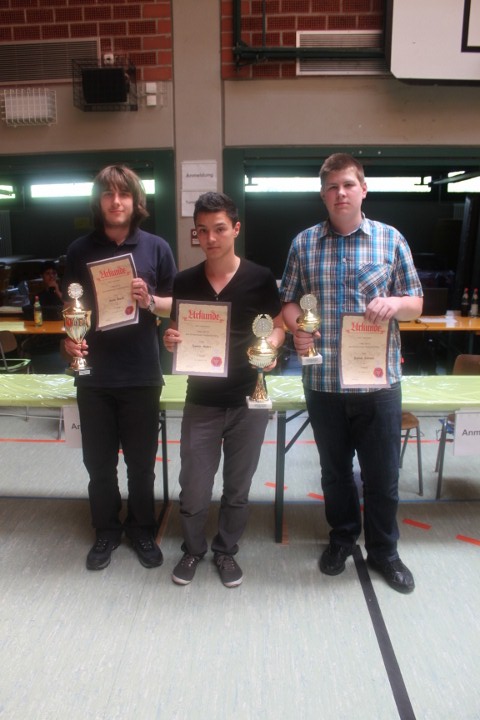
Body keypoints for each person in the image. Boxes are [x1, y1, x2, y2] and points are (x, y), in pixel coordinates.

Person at [280, 153, 423, 594]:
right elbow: (289, 301)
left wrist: (395, 304)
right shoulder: (304, 243)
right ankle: (342, 538)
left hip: (378, 383)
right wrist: (297, 329)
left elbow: (416, 303)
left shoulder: (390, 239)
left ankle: (384, 551)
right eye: (331, 187)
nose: (340, 193)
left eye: (347, 184)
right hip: (323, 383)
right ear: (322, 195)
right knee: (335, 473)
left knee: (383, 476)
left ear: (363, 189)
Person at [163, 192, 284, 588]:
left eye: (219, 229)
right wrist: (171, 339)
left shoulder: (260, 277)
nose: (211, 238)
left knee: (238, 486)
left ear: (235, 229)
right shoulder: (184, 281)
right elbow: (177, 330)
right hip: (202, 401)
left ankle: (226, 550)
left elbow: (278, 326)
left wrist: (271, 347)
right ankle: (193, 548)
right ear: (195, 234)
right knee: (194, 489)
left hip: (250, 399)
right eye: (202, 231)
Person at [63, 164, 177, 571]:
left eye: (124, 193)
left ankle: (142, 528)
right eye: (108, 194)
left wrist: (149, 300)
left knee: (141, 464)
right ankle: (107, 530)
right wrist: (68, 342)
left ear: (135, 201)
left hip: (141, 373)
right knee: (98, 464)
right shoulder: (79, 251)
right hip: (93, 376)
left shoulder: (156, 248)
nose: (116, 201)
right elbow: (70, 311)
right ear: (98, 201)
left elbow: (174, 305)